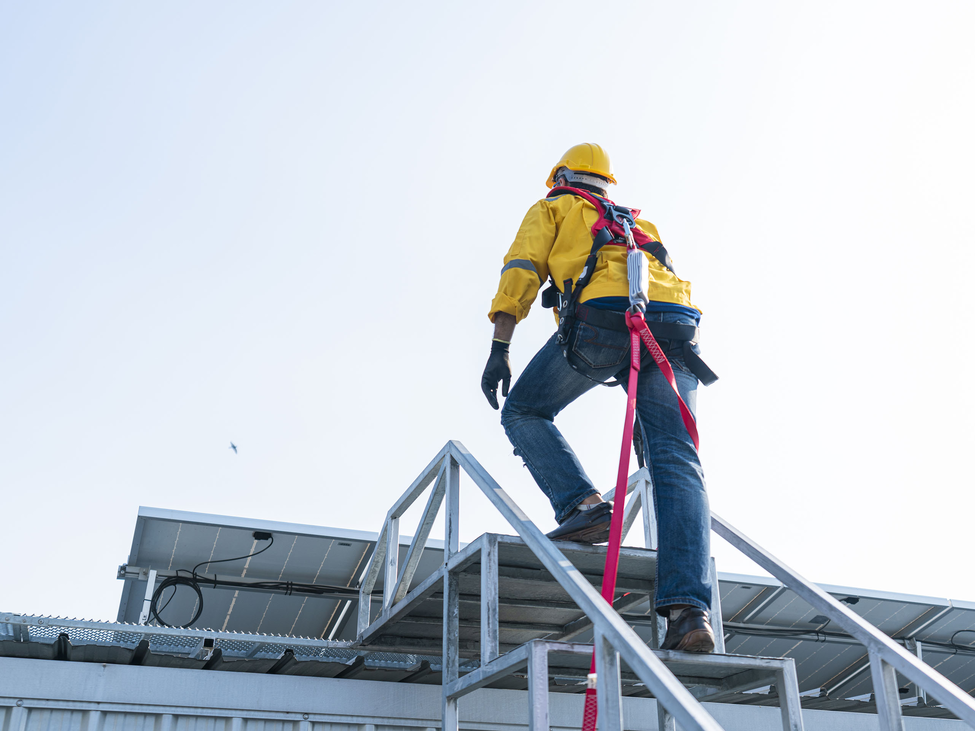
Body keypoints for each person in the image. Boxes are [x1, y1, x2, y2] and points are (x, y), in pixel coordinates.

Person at [480, 143, 716, 652]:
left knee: (524, 410)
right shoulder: (639, 224)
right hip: (675, 330)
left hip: (604, 321)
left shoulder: (554, 206)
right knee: (677, 460)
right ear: (606, 184)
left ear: (562, 176)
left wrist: (501, 347)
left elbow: (521, 269)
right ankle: (689, 612)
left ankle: (584, 505)